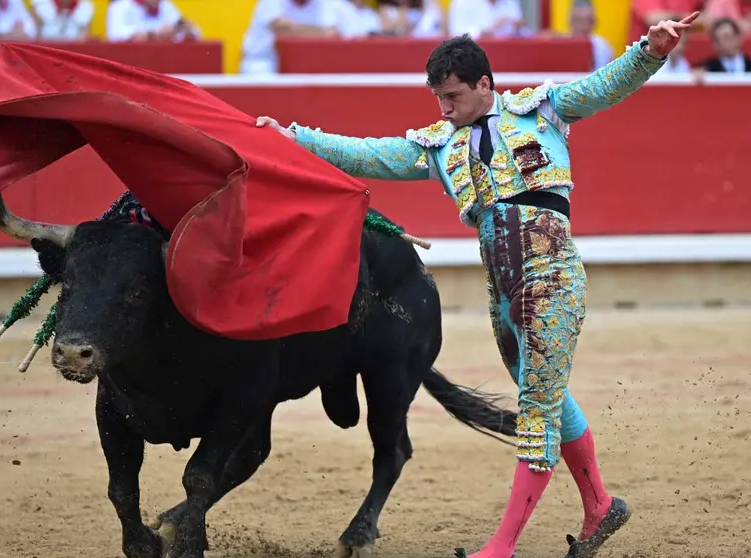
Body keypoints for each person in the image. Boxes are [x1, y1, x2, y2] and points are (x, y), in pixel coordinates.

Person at [256, 11, 699, 558]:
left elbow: (605, 85)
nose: (445, 107)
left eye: (453, 96)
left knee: (536, 410)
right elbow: (366, 153)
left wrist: (649, 51)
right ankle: (601, 507)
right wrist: (294, 138)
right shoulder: (439, 147)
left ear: (484, 85)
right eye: (438, 97)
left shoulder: (544, 111)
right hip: (504, 291)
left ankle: (501, 548)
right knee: (547, 398)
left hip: (552, 275)